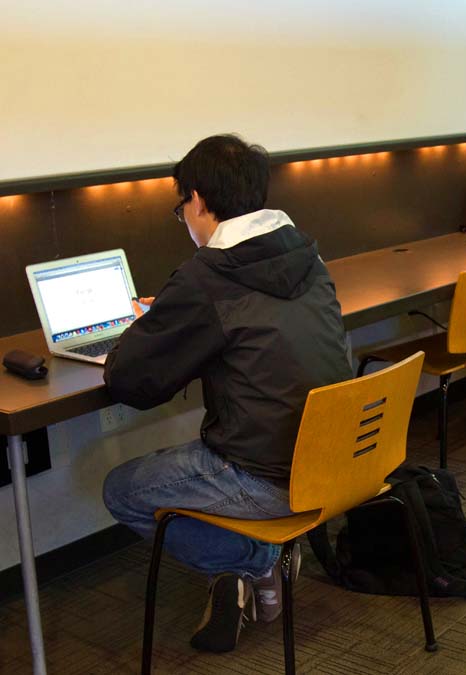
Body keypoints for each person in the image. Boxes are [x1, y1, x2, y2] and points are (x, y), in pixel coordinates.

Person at [102, 134, 352, 653]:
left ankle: (255, 560)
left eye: (181, 208)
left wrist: (153, 326)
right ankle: (255, 563)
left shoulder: (208, 276)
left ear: (196, 199)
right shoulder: (308, 254)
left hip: (267, 474)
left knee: (122, 490)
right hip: (340, 457)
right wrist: (176, 321)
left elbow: (128, 381)